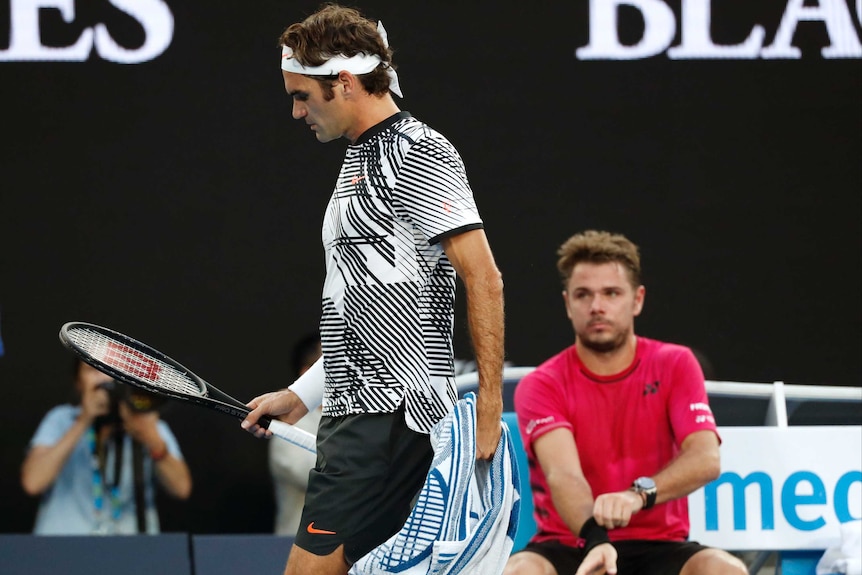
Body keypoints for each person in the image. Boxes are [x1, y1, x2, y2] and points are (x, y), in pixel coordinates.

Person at [240, 5, 505, 575]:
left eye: (301, 95)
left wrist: (488, 401)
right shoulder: (361, 156)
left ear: (343, 81)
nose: (294, 111)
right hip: (357, 414)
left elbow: (482, 275)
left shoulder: (416, 150)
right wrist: (302, 395)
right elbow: (360, 310)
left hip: (386, 418)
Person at [503, 230, 746, 575]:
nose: (597, 306)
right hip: (573, 543)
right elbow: (563, 476)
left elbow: (705, 457)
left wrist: (637, 495)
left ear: (637, 300)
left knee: (724, 570)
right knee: (519, 570)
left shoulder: (676, 363)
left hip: (660, 546)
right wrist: (596, 539)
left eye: (611, 293)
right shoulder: (542, 383)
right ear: (567, 304)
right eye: (583, 295)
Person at [21, 359, 192, 535]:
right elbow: (33, 483)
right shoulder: (62, 419)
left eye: (111, 370)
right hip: (63, 545)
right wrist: (83, 421)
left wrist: (151, 440)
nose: (104, 378)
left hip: (131, 549)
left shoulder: (148, 424)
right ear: (78, 382)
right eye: (91, 370)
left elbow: (182, 489)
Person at [269, 331, 323, 535]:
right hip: (297, 547)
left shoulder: (357, 420)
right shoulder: (286, 430)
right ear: (308, 375)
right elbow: (324, 478)